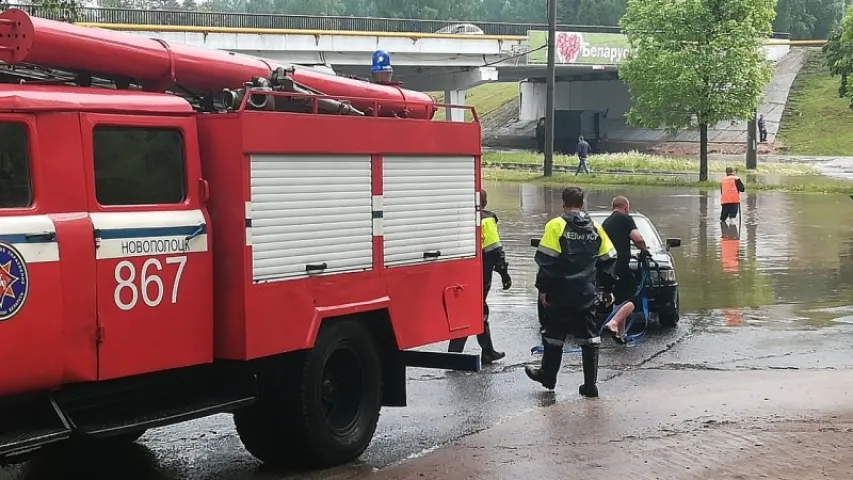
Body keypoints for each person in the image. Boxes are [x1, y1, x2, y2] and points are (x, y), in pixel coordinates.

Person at [526, 187, 617, 397]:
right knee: (589, 339)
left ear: (563, 203)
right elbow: (609, 260)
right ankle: (590, 385)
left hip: (559, 293)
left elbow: (546, 262)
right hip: (586, 293)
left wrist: (543, 290)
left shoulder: (556, 226)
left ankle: (548, 377)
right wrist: (607, 290)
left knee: (553, 336)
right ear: (582, 203)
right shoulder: (595, 228)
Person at [448, 189, 511, 365]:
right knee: (475, 311)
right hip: (479, 274)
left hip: (458, 275)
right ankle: (455, 356)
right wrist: (504, 274)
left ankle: (486, 351)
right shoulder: (487, 219)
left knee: (474, 310)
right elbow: (494, 250)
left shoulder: (459, 218)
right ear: (485, 202)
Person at [601, 196, 651, 343]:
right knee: (632, 299)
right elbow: (638, 238)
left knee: (619, 300)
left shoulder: (606, 223)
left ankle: (620, 334)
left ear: (613, 207)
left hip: (606, 267)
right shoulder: (626, 219)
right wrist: (644, 250)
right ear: (626, 208)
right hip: (621, 266)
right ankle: (613, 323)